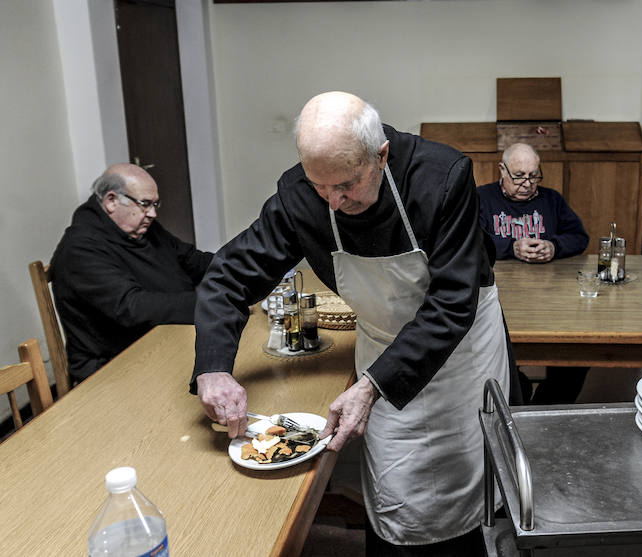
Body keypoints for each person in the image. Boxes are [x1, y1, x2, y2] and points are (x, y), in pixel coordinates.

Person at [191, 91, 516, 555]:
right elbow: (227, 276)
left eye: (347, 185)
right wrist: (214, 367)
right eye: (321, 187)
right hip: (382, 347)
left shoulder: (442, 177)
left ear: (381, 155)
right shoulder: (302, 195)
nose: (335, 201)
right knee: (396, 490)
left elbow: (452, 303)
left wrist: (373, 385)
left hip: (459, 352)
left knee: (468, 485)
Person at [50, 163, 214, 382]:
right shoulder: (80, 248)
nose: (153, 214)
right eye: (145, 204)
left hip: (163, 340)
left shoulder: (139, 227)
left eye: (155, 204)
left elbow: (192, 260)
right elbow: (132, 306)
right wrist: (214, 303)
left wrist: (243, 267)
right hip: (112, 369)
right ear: (111, 201)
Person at [478, 143, 590, 404]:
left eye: (533, 175)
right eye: (519, 176)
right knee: (498, 357)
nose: (527, 183)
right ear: (502, 170)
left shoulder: (551, 199)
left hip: (549, 301)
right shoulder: (482, 198)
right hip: (499, 300)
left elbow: (579, 237)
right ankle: (517, 398)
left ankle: (545, 408)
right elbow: (472, 240)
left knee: (576, 357)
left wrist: (554, 246)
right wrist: (511, 247)